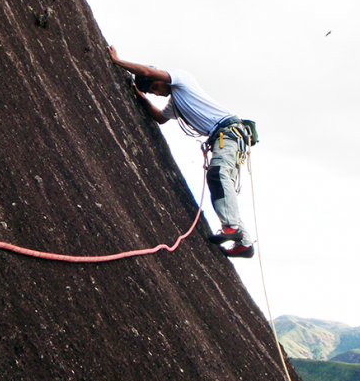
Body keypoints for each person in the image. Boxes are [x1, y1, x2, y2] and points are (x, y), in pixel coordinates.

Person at [109, 46, 254, 258]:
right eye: (154, 92)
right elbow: (159, 117)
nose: (157, 93)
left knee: (217, 174)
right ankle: (245, 244)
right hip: (225, 138)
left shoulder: (181, 79)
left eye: (156, 88)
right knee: (222, 183)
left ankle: (232, 227)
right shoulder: (175, 104)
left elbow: (148, 73)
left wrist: (117, 61)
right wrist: (141, 96)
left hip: (228, 132)